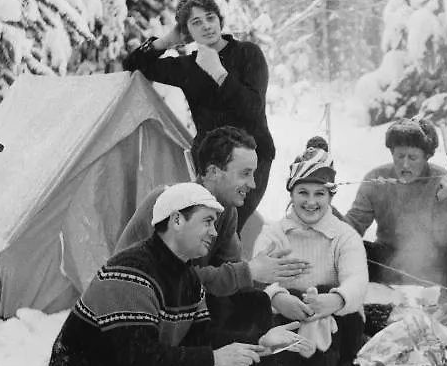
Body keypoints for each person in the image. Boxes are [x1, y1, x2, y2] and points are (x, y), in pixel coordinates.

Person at [48, 183, 269, 366]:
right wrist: (212, 360)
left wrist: (260, 339)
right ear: (177, 220)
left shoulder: (188, 277)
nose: (214, 232)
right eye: (207, 221)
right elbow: (140, 361)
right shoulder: (131, 271)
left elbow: (202, 339)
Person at [115, 126, 307, 345]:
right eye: (245, 173)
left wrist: (273, 291)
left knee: (256, 302)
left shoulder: (226, 211)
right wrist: (249, 271)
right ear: (214, 172)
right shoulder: (169, 203)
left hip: (182, 307)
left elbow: (231, 271)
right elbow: (172, 281)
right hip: (139, 314)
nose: (253, 184)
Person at [122, 0, 273, 231]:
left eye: (210, 17)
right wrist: (166, 41)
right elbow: (132, 65)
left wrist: (220, 74)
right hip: (210, 163)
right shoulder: (188, 67)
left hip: (252, 158)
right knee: (204, 229)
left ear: (220, 20)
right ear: (187, 31)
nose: (206, 26)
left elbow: (253, 109)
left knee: (228, 228)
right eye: (196, 22)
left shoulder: (248, 53)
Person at [249, 142, 369, 366]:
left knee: (325, 304)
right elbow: (259, 278)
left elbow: (357, 280)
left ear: (330, 196)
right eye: (303, 192)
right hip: (286, 319)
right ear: (291, 193)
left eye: (320, 193)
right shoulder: (275, 233)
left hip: (337, 327)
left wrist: (334, 300)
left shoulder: (343, 236)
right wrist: (279, 297)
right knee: (276, 313)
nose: (311, 201)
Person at [344, 118, 447, 293]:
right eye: (400, 156)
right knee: (355, 251)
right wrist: (332, 225)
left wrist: (445, 201)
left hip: (428, 261)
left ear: (426, 157)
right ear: (392, 153)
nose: (405, 164)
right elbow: (354, 225)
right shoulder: (376, 178)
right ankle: (364, 298)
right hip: (387, 258)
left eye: (413, 157)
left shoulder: (440, 179)